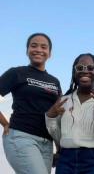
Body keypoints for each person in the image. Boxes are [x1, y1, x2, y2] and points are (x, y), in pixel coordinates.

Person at [0, 33, 61, 174]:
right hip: (21, 137)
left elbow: (57, 114)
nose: (38, 49)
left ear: (49, 53)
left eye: (43, 47)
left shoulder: (54, 81)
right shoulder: (16, 73)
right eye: (33, 46)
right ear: (27, 50)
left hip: (47, 143)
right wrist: (5, 123)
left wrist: (59, 145)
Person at [45, 53, 94, 174]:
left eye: (90, 68)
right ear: (74, 72)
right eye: (80, 68)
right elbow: (56, 134)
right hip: (65, 159)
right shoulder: (63, 101)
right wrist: (50, 116)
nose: (85, 71)